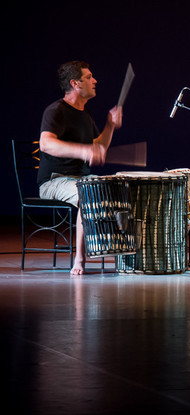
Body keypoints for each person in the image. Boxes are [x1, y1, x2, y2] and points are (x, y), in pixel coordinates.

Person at [38, 60, 123, 275]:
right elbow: (46, 144)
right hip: (54, 181)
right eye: (89, 77)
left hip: (80, 178)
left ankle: (122, 252)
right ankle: (80, 260)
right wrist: (82, 151)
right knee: (89, 191)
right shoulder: (56, 110)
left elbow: (98, 147)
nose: (95, 81)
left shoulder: (85, 116)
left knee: (118, 188)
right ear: (75, 83)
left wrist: (110, 125)